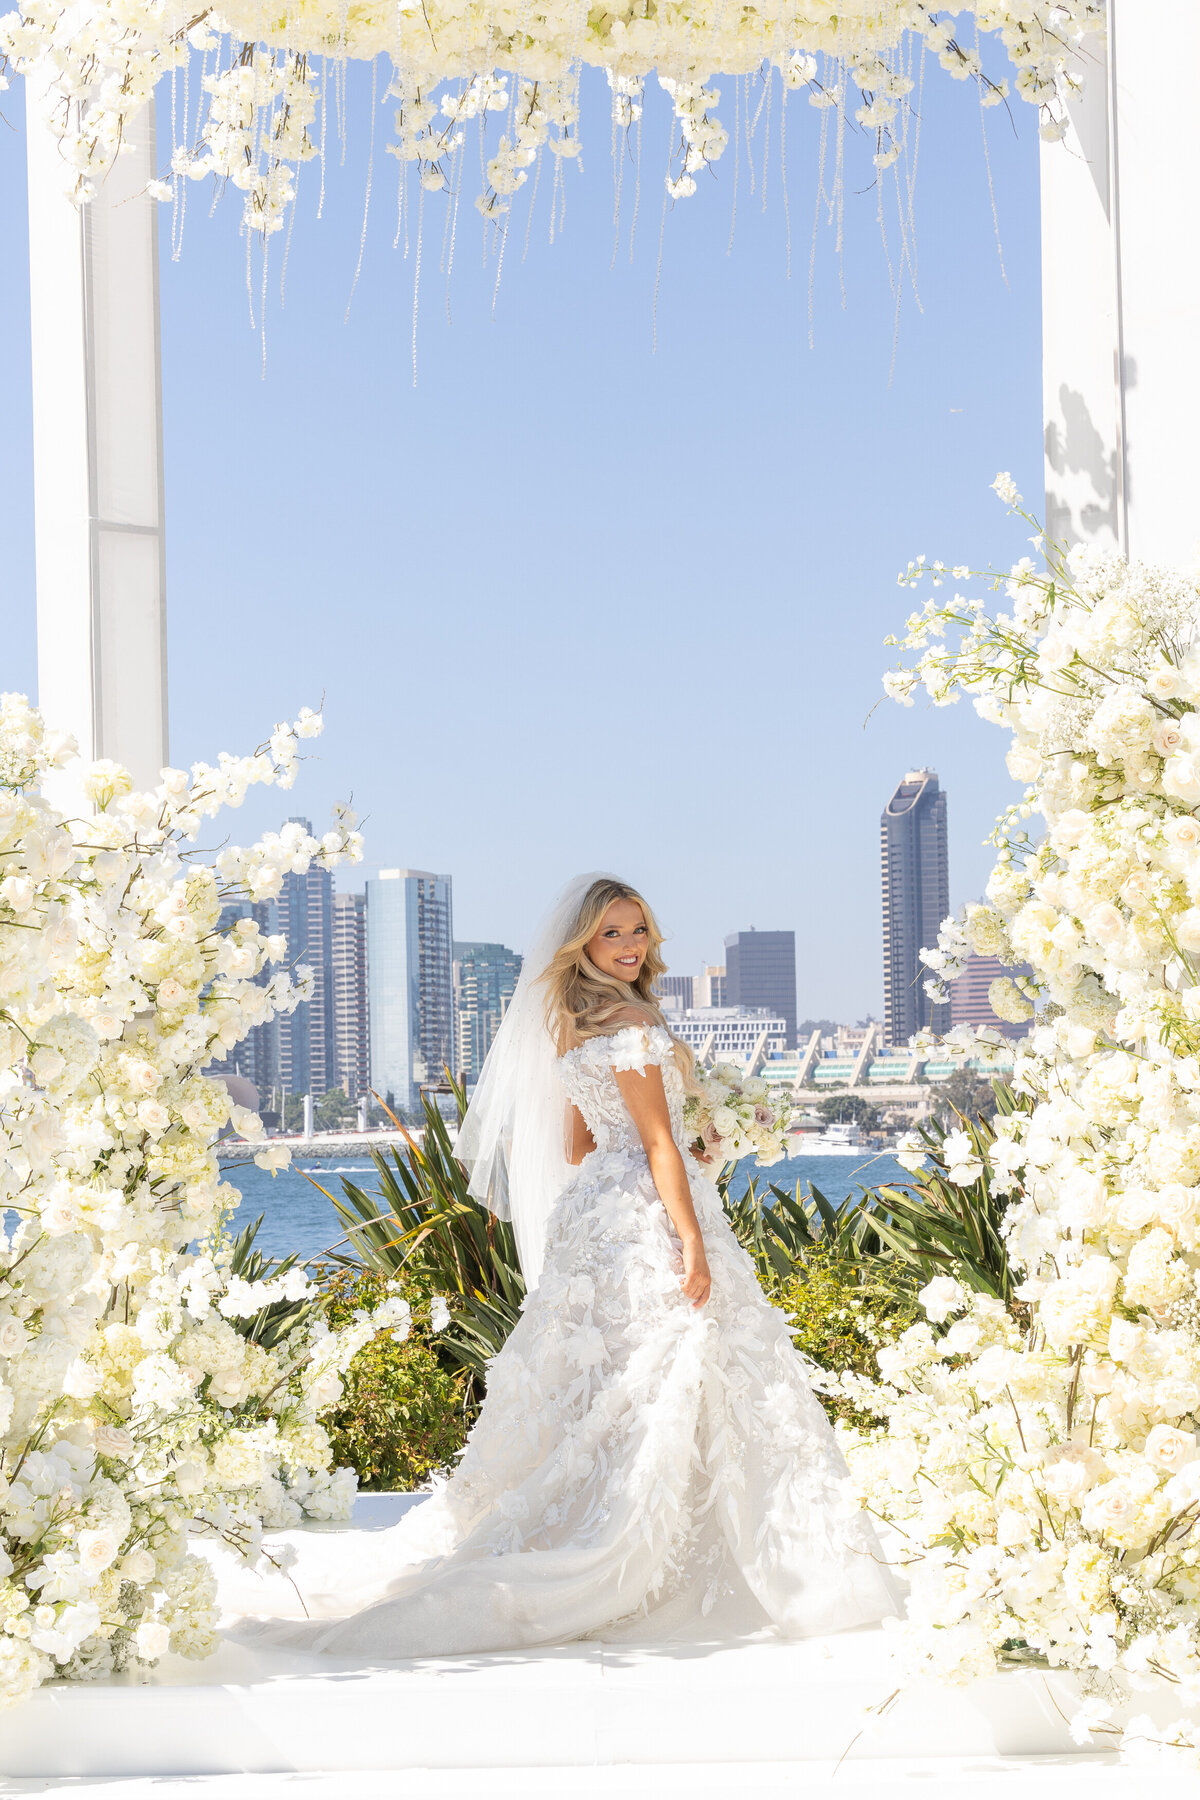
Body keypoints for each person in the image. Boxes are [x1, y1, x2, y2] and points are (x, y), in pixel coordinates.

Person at [223, 874, 897, 1655]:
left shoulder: (575, 1021)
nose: (630, 945)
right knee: (677, 1359)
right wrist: (692, 1237)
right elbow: (654, 1145)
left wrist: (696, 1138)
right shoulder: (637, 1022)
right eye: (612, 933)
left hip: (596, 1216)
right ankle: (690, 1548)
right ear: (584, 942)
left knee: (617, 1377)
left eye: (638, 931)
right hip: (647, 1212)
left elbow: (579, 1146)